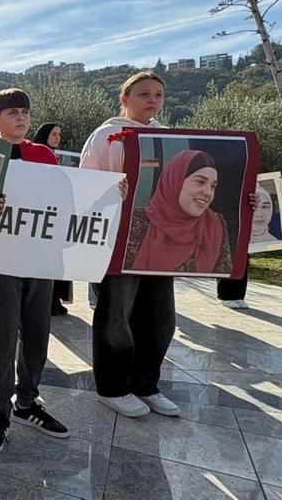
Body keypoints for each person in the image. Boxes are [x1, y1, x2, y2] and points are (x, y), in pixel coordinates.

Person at [79, 71, 181, 419]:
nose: (152, 100)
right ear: (124, 99)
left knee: (161, 317)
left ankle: (146, 384)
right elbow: (84, 185)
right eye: (143, 94)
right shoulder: (106, 136)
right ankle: (113, 387)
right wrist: (108, 189)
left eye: (158, 94)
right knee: (117, 314)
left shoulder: (172, 138)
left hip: (161, 242)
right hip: (118, 241)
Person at [0, 89, 70, 455]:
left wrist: (113, 194)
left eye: (25, 112)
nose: (21, 118)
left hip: (39, 257)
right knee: (3, 336)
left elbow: (64, 200)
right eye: (12, 112)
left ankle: (27, 402)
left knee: (37, 332)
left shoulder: (44, 155)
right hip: (1, 261)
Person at [123, 149, 233, 275]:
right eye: (200, 182)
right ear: (175, 180)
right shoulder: (136, 221)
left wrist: (251, 206)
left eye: (213, 186)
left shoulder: (215, 227)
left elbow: (224, 274)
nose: (208, 192)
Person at [32, 122, 73, 315]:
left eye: (59, 134)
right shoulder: (34, 155)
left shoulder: (58, 158)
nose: (57, 137)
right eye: (53, 134)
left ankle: (53, 300)